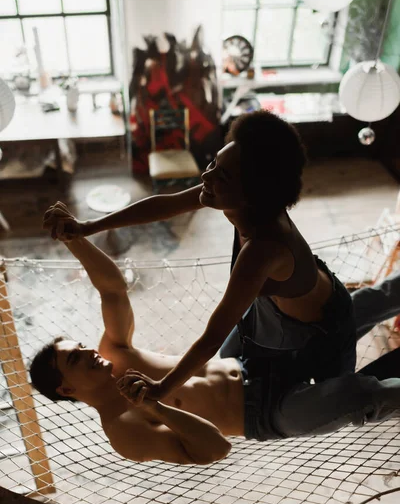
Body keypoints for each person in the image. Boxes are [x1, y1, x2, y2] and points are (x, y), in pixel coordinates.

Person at [42, 110, 397, 434]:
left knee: (358, 382)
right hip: (272, 320)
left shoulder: (263, 248)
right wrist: (89, 226)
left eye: (220, 174)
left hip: (320, 333)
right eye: (213, 162)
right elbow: (164, 205)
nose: (206, 175)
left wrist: (160, 390)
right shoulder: (236, 202)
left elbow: (213, 334)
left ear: (250, 193)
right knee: (373, 301)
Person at [31, 203, 400, 463]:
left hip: (246, 355)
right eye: (76, 358)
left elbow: (112, 289)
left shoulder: (116, 352)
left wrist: (75, 238)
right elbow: (213, 450)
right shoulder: (122, 430)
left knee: (345, 309)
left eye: (80, 347)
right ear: (66, 389)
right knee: (357, 396)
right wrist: (154, 406)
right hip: (267, 413)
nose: (90, 352)